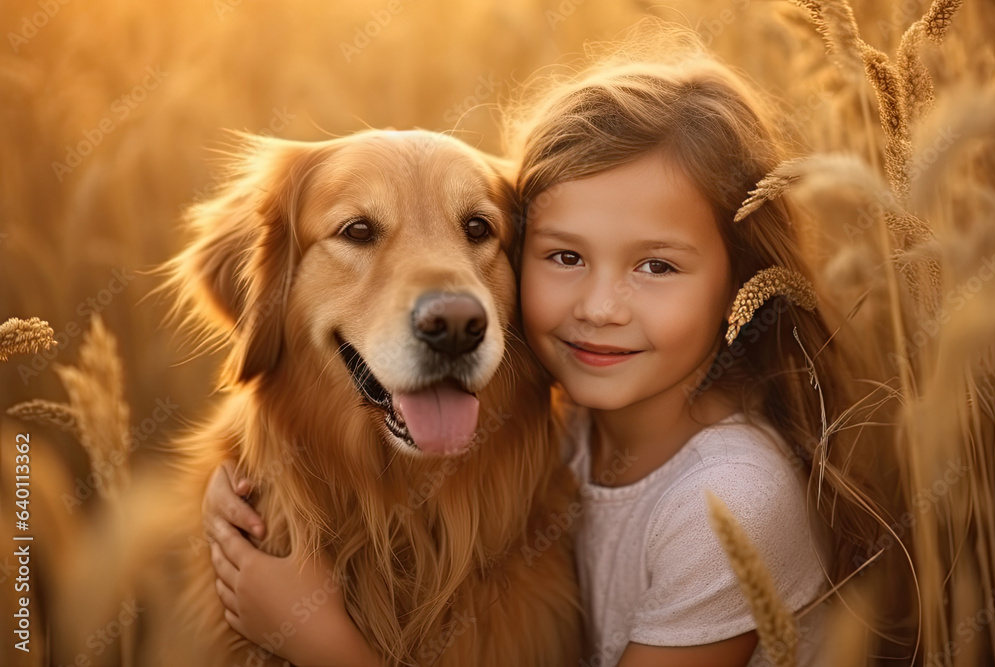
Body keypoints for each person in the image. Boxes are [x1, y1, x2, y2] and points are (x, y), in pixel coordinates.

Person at [204, 24, 885, 667]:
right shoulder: (579, 428)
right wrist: (238, 492)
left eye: (477, 228)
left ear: (741, 277)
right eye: (357, 231)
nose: (598, 307)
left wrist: (327, 645)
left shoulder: (732, 501)